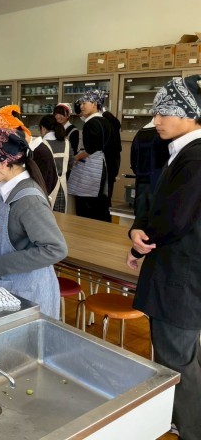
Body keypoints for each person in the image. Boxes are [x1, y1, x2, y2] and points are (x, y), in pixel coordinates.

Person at [126, 75, 201, 440]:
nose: (156, 121)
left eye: (164, 113)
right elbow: (157, 203)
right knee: (180, 355)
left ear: (191, 114)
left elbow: (174, 218)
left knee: (177, 360)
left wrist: (142, 240)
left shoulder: (195, 156)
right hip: (178, 273)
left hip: (180, 277)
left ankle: (191, 428)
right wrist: (138, 230)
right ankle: (181, 418)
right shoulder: (181, 151)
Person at [0, 128, 67, 318]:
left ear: (4, 163)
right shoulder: (6, 190)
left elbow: (55, 249)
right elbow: (9, 232)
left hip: (29, 294)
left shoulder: (28, 200)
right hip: (10, 288)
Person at [72, 90, 119, 222]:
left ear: (94, 104)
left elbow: (90, 149)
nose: (81, 106)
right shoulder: (106, 121)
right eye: (81, 103)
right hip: (104, 166)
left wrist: (76, 158)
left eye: (85, 103)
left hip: (92, 168)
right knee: (101, 203)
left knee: (87, 204)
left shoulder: (91, 123)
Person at [130, 117, 171, 216]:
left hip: (141, 183)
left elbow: (133, 161)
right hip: (159, 183)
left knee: (141, 218)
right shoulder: (164, 135)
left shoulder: (140, 133)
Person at [38, 114, 73, 213]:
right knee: (60, 217)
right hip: (62, 187)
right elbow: (71, 163)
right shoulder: (66, 143)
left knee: (44, 217)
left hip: (45, 187)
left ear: (43, 128)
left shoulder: (40, 144)